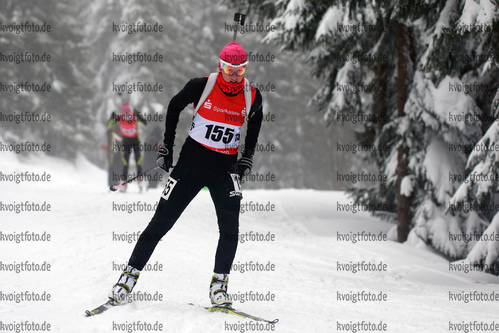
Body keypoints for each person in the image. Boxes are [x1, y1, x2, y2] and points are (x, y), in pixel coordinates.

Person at [109, 41, 263, 307]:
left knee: (230, 230)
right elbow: (173, 106)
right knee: (160, 223)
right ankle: (128, 277)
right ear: (220, 66)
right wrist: (167, 147)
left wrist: (247, 156)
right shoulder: (201, 86)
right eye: (229, 70)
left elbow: (256, 123)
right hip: (191, 164)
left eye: (240, 70)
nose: (235, 76)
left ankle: (219, 286)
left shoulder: (252, 95)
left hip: (225, 169)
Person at [107, 101, 148, 192]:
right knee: (125, 162)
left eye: (128, 111)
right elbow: (110, 125)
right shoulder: (120, 117)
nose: (127, 113)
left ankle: (140, 182)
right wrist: (112, 117)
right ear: (123, 111)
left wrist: (138, 114)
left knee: (138, 161)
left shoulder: (134, 115)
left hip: (135, 140)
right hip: (126, 142)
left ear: (130, 110)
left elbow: (145, 123)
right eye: (125, 111)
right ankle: (124, 184)